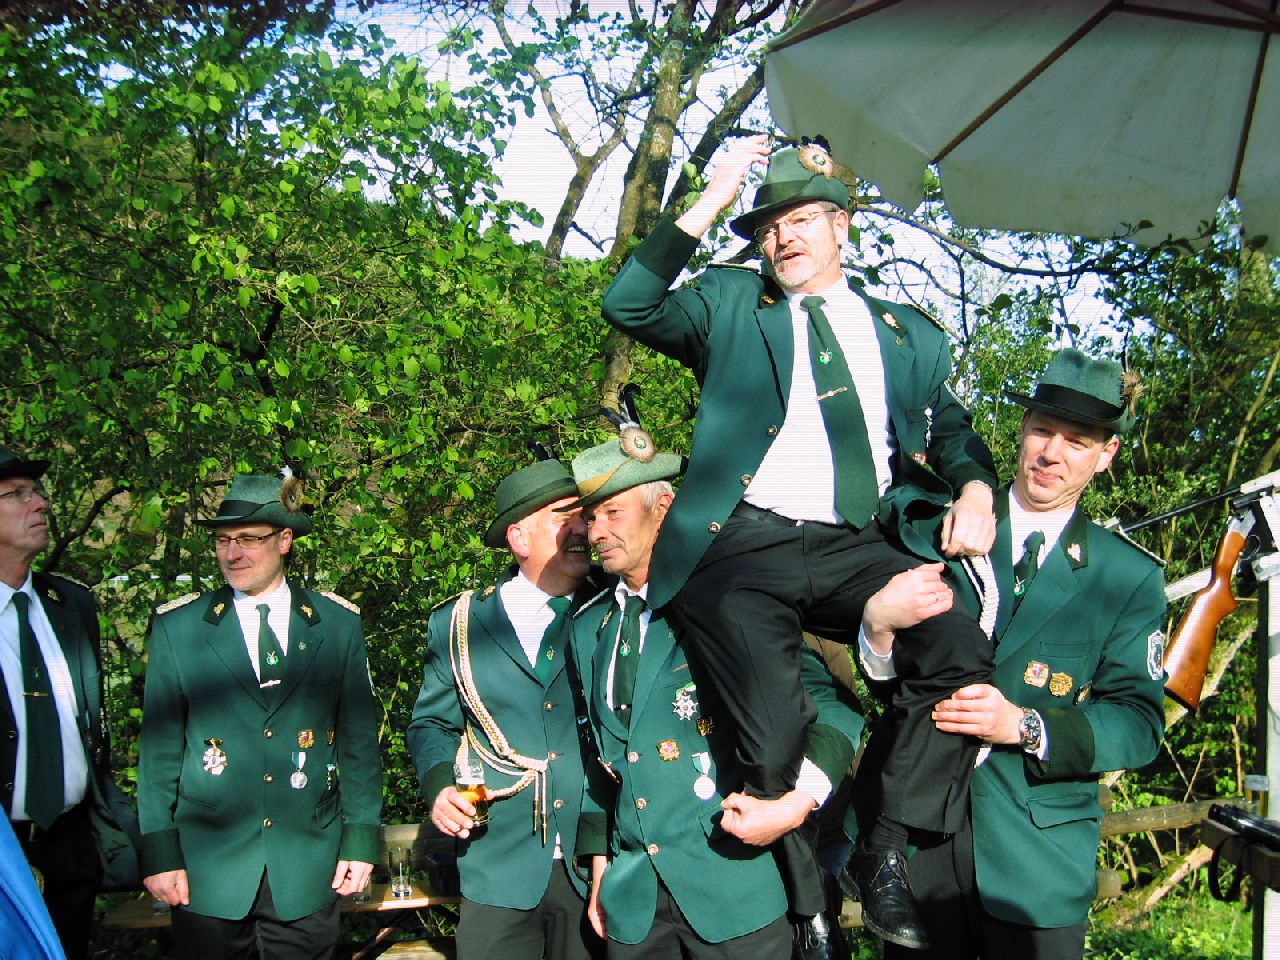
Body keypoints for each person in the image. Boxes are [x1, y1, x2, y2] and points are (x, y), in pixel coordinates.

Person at [601, 134, 999, 947]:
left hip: (861, 540)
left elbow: (951, 430)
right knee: (776, 734)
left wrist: (977, 489)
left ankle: (882, 849)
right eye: (769, 227)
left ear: (841, 227)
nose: (783, 238)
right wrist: (713, 198)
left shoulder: (905, 333)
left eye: (802, 220)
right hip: (743, 544)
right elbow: (629, 303)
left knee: (959, 646)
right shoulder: (730, 305)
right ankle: (807, 905)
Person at [855, 349, 1166, 959]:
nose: (1052, 454)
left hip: (1036, 861)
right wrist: (876, 629)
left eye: (1077, 442)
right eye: (1043, 431)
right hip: (920, 845)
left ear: (1106, 454)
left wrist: (1023, 725)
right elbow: (892, 689)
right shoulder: (938, 530)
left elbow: (1137, 724)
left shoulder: (1127, 577)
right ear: (1022, 430)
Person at [563, 436, 864, 959]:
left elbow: (834, 706)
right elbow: (602, 758)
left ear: (663, 508)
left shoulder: (732, 598)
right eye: (591, 518)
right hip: (633, 906)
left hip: (734, 889)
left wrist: (795, 804)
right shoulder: (589, 627)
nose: (598, 532)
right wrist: (600, 869)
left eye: (613, 512)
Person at [138, 472, 382, 960]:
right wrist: (160, 854)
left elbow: (358, 744)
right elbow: (159, 753)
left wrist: (360, 842)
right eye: (223, 541)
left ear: (284, 540)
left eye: (249, 539)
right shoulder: (179, 628)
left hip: (307, 865)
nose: (233, 553)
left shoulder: (336, 624)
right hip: (209, 869)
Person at [406, 457, 605, 960]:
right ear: (519, 538)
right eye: (565, 517)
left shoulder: (614, 610)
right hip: (497, 867)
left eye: (584, 516)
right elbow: (431, 723)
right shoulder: (459, 623)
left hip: (597, 862)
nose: (583, 528)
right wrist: (439, 787)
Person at [1, 444, 126, 960]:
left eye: (37, 492)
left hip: (71, 847)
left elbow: (90, 728)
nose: (40, 504)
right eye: (17, 494)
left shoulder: (70, 604)